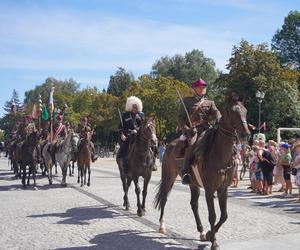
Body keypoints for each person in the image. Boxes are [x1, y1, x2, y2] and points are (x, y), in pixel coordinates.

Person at [176, 79, 221, 185]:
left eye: (204, 87)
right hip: (193, 130)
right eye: (200, 87)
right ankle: (186, 172)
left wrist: (219, 119)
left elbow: (216, 112)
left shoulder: (210, 102)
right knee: (192, 144)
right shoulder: (187, 101)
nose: (202, 89)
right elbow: (180, 117)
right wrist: (186, 129)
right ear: (194, 89)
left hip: (207, 129)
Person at [118, 96, 145, 173]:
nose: (135, 108)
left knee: (151, 143)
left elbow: (143, 125)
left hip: (139, 135)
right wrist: (122, 134)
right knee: (124, 146)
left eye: (136, 106)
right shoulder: (125, 115)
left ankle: (152, 162)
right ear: (130, 106)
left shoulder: (141, 115)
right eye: (133, 106)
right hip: (128, 135)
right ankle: (124, 163)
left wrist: (137, 130)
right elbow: (120, 127)